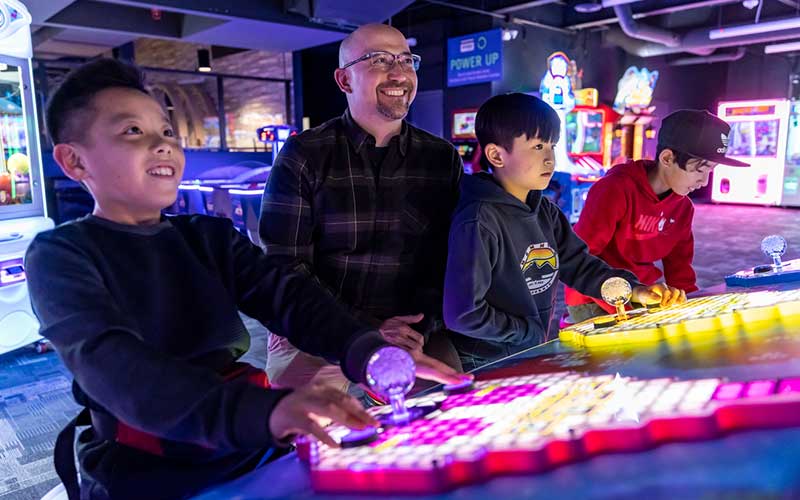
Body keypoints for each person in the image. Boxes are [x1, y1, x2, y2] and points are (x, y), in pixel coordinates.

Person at [27, 58, 466, 500]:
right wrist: (271, 411)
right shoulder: (60, 255)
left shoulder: (205, 236)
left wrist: (368, 352)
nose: (162, 146)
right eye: (132, 132)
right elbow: (118, 370)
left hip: (246, 443)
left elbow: (289, 298)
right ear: (74, 160)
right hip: (148, 467)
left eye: (165, 132)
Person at [260, 24, 463, 391]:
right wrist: (367, 327)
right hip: (320, 328)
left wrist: (415, 328)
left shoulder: (440, 159)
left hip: (410, 331)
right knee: (302, 431)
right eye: (380, 60)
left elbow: (444, 261)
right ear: (344, 80)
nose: (399, 73)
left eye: (406, 60)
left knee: (452, 412)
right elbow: (285, 266)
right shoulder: (305, 155)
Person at [443, 93, 685, 371]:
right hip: (484, 358)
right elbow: (464, 314)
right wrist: (528, 332)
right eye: (537, 146)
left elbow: (581, 267)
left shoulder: (546, 211)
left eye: (552, 146)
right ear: (497, 155)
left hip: (527, 347)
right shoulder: (478, 220)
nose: (549, 159)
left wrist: (634, 291)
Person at [564, 109, 749, 322]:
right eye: (700, 170)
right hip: (594, 297)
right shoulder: (615, 189)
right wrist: (627, 300)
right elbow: (581, 256)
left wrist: (692, 304)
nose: (704, 182)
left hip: (647, 294)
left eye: (711, 171)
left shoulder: (683, 208)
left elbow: (680, 271)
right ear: (668, 158)